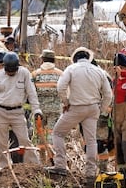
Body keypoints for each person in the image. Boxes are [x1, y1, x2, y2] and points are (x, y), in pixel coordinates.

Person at [46, 47, 113, 177]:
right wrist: (101, 109)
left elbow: (60, 88)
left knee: (58, 133)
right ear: (88, 58)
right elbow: (108, 95)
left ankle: (60, 165)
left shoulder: (71, 69)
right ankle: (91, 172)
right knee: (91, 140)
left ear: (74, 59)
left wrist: (66, 103)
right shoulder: (99, 71)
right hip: (93, 108)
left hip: (75, 107)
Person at [0, 51, 42, 166]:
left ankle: (33, 166)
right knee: (2, 143)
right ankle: (5, 167)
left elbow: (32, 93)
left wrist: (36, 110)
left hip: (17, 112)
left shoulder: (25, 73)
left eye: (13, 70)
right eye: (8, 70)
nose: (11, 73)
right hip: (0, 111)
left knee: (24, 140)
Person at [31, 49, 64, 164]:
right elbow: (64, 91)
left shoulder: (35, 74)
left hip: (39, 109)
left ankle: (42, 160)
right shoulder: (60, 74)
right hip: (55, 109)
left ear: (42, 59)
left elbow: (31, 92)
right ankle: (52, 160)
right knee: (52, 133)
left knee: (40, 133)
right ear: (54, 60)